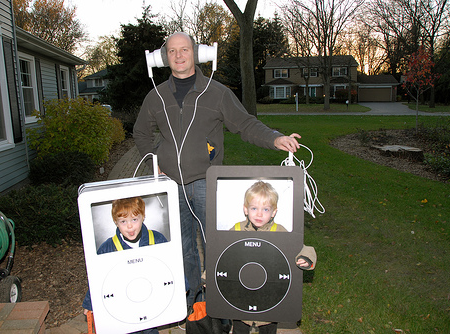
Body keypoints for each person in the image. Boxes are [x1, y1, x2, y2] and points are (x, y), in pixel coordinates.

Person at [133, 31, 302, 307]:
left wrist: (275, 138)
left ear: (196, 54)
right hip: (170, 184)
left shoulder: (217, 92)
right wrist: (155, 160)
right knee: (183, 244)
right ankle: (193, 297)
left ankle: (221, 297)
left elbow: (245, 124)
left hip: (206, 182)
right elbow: (140, 132)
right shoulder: (156, 97)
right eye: (172, 51)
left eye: (184, 49)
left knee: (215, 243)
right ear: (164, 58)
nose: (178, 55)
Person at [229, 181, 317, 334]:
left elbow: (303, 248)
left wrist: (305, 258)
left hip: (269, 295)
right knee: (240, 327)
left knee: (268, 328)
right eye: (254, 208)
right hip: (242, 293)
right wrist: (207, 277)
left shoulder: (280, 232)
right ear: (246, 209)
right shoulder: (236, 230)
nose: (259, 214)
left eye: (265, 209)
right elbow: (220, 256)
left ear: (273, 212)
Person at [82, 197, 168, 334]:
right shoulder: (108, 248)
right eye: (123, 221)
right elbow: (97, 278)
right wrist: (90, 303)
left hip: (149, 300)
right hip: (124, 303)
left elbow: (171, 265)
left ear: (143, 217)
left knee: (150, 329)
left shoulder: (157, 240)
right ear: (116, 222)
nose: (130, 226)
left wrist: (182, 286)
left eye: (134, 219)